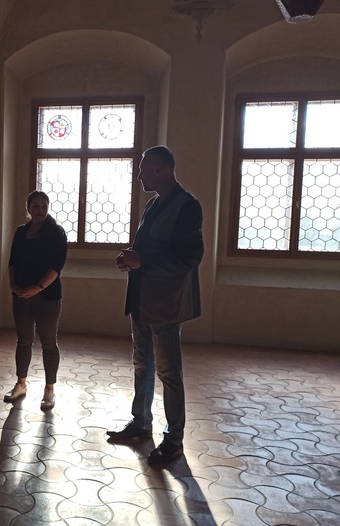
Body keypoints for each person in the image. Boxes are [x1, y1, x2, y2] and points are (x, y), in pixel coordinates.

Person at [108, 145, 204, 465]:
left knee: (168, 372)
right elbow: (148, 248)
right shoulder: (154, 204)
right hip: (142, 300)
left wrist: (143, 261)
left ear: (160, 169)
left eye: (143, 169)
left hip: (165, 305)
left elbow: (189, 258)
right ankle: (141, 423)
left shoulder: (187, 206)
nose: (139, 176)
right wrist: (131, 258)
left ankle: (174, 439)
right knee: (142, 364)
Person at [3, 190, 68, 410]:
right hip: (21, 295)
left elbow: (56, 267)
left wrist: (37, 288)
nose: (40, 210)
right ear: (28, 208)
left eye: (44, 206)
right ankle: (21, 384)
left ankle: (49, 390)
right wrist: (13, 285)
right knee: (23, 340)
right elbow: (12, 261)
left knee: (48, 343)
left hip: (47, 297)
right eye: (35, 206)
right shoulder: (21, 232)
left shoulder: (56, 233)